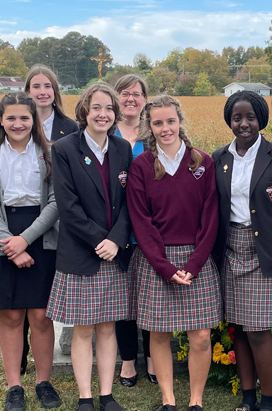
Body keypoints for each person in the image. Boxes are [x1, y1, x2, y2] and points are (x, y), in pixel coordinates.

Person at [127, 95, 221, 411]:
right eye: (157, 123)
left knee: (200, 336)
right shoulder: (140, 167)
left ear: (179, 121)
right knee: (160, 333)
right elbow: (141, 221)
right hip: (157, 261)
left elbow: (211, 218)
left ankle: (195, 401)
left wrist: (194, 264)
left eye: (170, 121)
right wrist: (165, 267)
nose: (165, 128)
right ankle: (168, 399)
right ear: (148, 127)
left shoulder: (202, 162)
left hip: (197, 258)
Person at [45, 82, 134, 411]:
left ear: (116, 114)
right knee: (83, 329)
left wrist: (117, 239)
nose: (103, 114)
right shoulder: (65, 148)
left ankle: (107, 395)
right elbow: (67, 205)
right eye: (96, 107)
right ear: (84, 110)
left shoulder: (123, 148)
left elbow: (131, 203)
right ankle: (84, 398)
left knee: (108, 327)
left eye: (109, 108)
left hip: (115, 253)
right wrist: (102, 240)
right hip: (82, 252)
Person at [212, 91, 272, 411]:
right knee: (237, 327)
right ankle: (246, 399)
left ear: (260, 119)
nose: (243, 124)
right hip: (229, 249)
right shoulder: (219, 158)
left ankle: (268, 402)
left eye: (250, 117)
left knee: (259, 330)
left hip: (264, 252)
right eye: (237, 118)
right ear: (229, 120)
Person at [0, 92, 60, 411]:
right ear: (1, 120)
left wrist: (25, 240)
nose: (18, 123)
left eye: (24, 118)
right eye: (11, 118)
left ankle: (43, 382)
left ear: (33, 120)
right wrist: (8, 242)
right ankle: (15, 386)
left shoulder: (48, 153)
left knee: (40, 315)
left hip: (40, 234)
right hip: (2, 236)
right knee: (11, 315)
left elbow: (55, 203)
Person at [19, 64, 78, 375]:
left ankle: (63, 338)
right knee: (23, 292)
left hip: (61, 217)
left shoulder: (70, 127)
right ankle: (22, 351)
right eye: (35, 86)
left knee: (48, 288)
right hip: (25, 216)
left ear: (55, 92)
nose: (42, 92)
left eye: (47, 86)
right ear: (27, 92)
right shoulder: (16, 124)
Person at [112, 74, 155, 387]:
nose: (130, 99)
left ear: (145, 99)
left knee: (151, 296)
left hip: (150, 227)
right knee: (124, 298)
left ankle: (153, 358)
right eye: (124, 93)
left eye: (136, 94)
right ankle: (128, 360)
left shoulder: (153, 132)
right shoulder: (106, 132)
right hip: (114, 229)